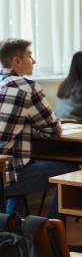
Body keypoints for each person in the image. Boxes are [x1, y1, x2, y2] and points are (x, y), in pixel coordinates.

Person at [0, 39, 77, 218]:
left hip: (3, 165)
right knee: (72, 169)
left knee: (21, 160)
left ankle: (15, 231)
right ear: (16, 61)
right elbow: (52, 128)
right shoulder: (26, 86)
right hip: (7, 175)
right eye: (29, 55)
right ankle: (50, 237)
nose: (33, 61)